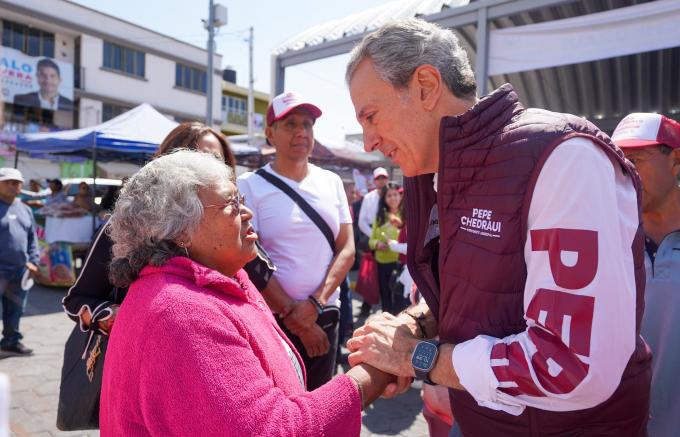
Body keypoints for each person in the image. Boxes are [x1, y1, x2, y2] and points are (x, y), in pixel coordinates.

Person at [344, 18, 651, 435]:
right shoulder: (436, 176)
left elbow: (570, 366)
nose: (367, 142)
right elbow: (471, 301)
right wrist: (414, 323)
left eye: (371, 116)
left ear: (426, 86)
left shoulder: (564, 158)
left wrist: (419, 358)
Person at [100, 150, 394, 435]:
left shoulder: (223, 278)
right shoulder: (182, 314)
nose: (247, 211)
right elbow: (273, 429)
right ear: (180, 231)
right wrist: (374, 373)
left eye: (240, 198)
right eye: (230, 203)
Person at [61, 122, 292, 339]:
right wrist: (116, 318)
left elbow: (263, 279)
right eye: (191, 158)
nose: (205, 168)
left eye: (217, 161)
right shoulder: (127, 227)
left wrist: (303, 315)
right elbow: (76, 300)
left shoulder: (234, 228)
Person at [238, 91, 355, 390]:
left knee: (318, 410)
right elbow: (249, 258)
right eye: (290, 124)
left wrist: (314, 305)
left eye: (307, 124)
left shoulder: (331, 182)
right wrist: (298, 319)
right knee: (280, 411)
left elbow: (347, 249)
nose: (301, 132)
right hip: (275, 325)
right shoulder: (250, 186)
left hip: (325, 318)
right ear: (270, 134)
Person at [611, 113, 680, 437]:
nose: (625, 171)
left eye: (636, 159)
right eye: (619, 161)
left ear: (676, 161)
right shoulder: (606, 244)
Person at [0, 168, 39, 355]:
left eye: (16, 182)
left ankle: (10, 341)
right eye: (8, 181)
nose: (12, 185)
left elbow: (32, 239)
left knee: (15, 310)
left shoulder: (25, 209)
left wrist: (34, 261)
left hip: (20, 270)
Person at [368, 181, 403, 314]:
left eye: (395, 195)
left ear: (400, 196)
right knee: (386, 298)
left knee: (400, 300)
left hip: (400, 262)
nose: (393, 198)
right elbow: (371, 240)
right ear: (384, 199)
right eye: (389, 196)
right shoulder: (380, 217)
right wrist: (377, 244)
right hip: (382, 263)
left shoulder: (406, 215)